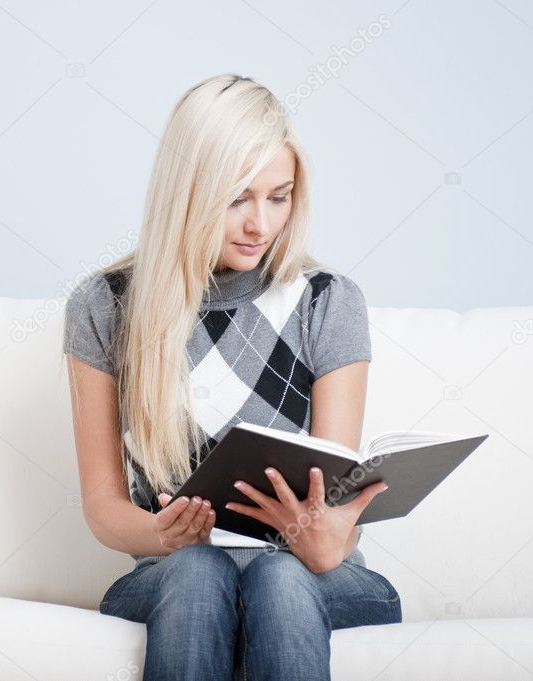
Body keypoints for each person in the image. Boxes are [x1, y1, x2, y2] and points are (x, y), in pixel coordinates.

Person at [62, 73, 402, 681]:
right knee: (199, 571)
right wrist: (163, 537)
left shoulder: (327, 301)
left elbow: (337, 502)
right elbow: (102, 506)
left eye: (280, 196)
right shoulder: (105, 306)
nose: (261, 225)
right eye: (237, 198)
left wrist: (328, 542)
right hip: (175, 574)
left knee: (277, 574)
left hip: (313, 574)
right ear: (188, 191)